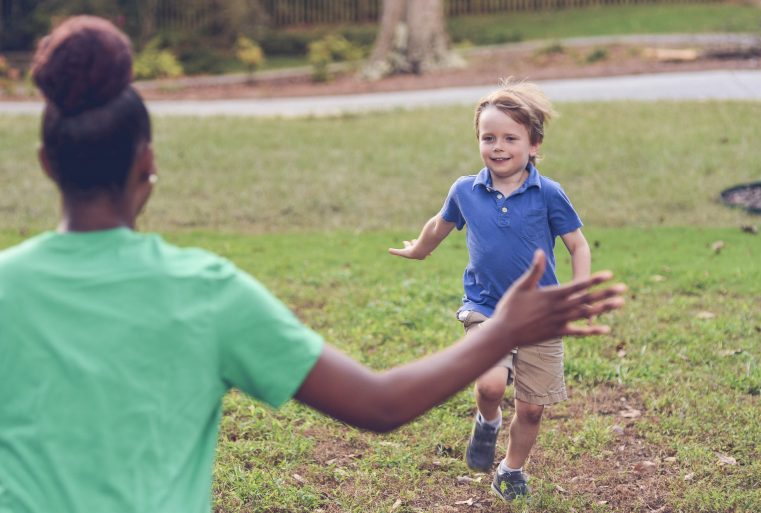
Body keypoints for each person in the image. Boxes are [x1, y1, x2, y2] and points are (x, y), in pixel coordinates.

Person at [0, 17, 625, 513]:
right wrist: (507, 329)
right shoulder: (207, 293)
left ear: (47, 164)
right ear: (148, 166)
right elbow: (378, 404)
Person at [389, 80, 591, 501]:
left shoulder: (549, 193)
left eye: (510, 138)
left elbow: (577, 244)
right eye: (489, 137)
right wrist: (420, 251)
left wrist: (578, 291)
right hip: (485, 308)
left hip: (538, 314)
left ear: (533, 144)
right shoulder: (466, 190)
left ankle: (511, 469)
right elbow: (438, 224)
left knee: (533, 409)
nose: (498, 147)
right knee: (490, 387)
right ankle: (488, 421)